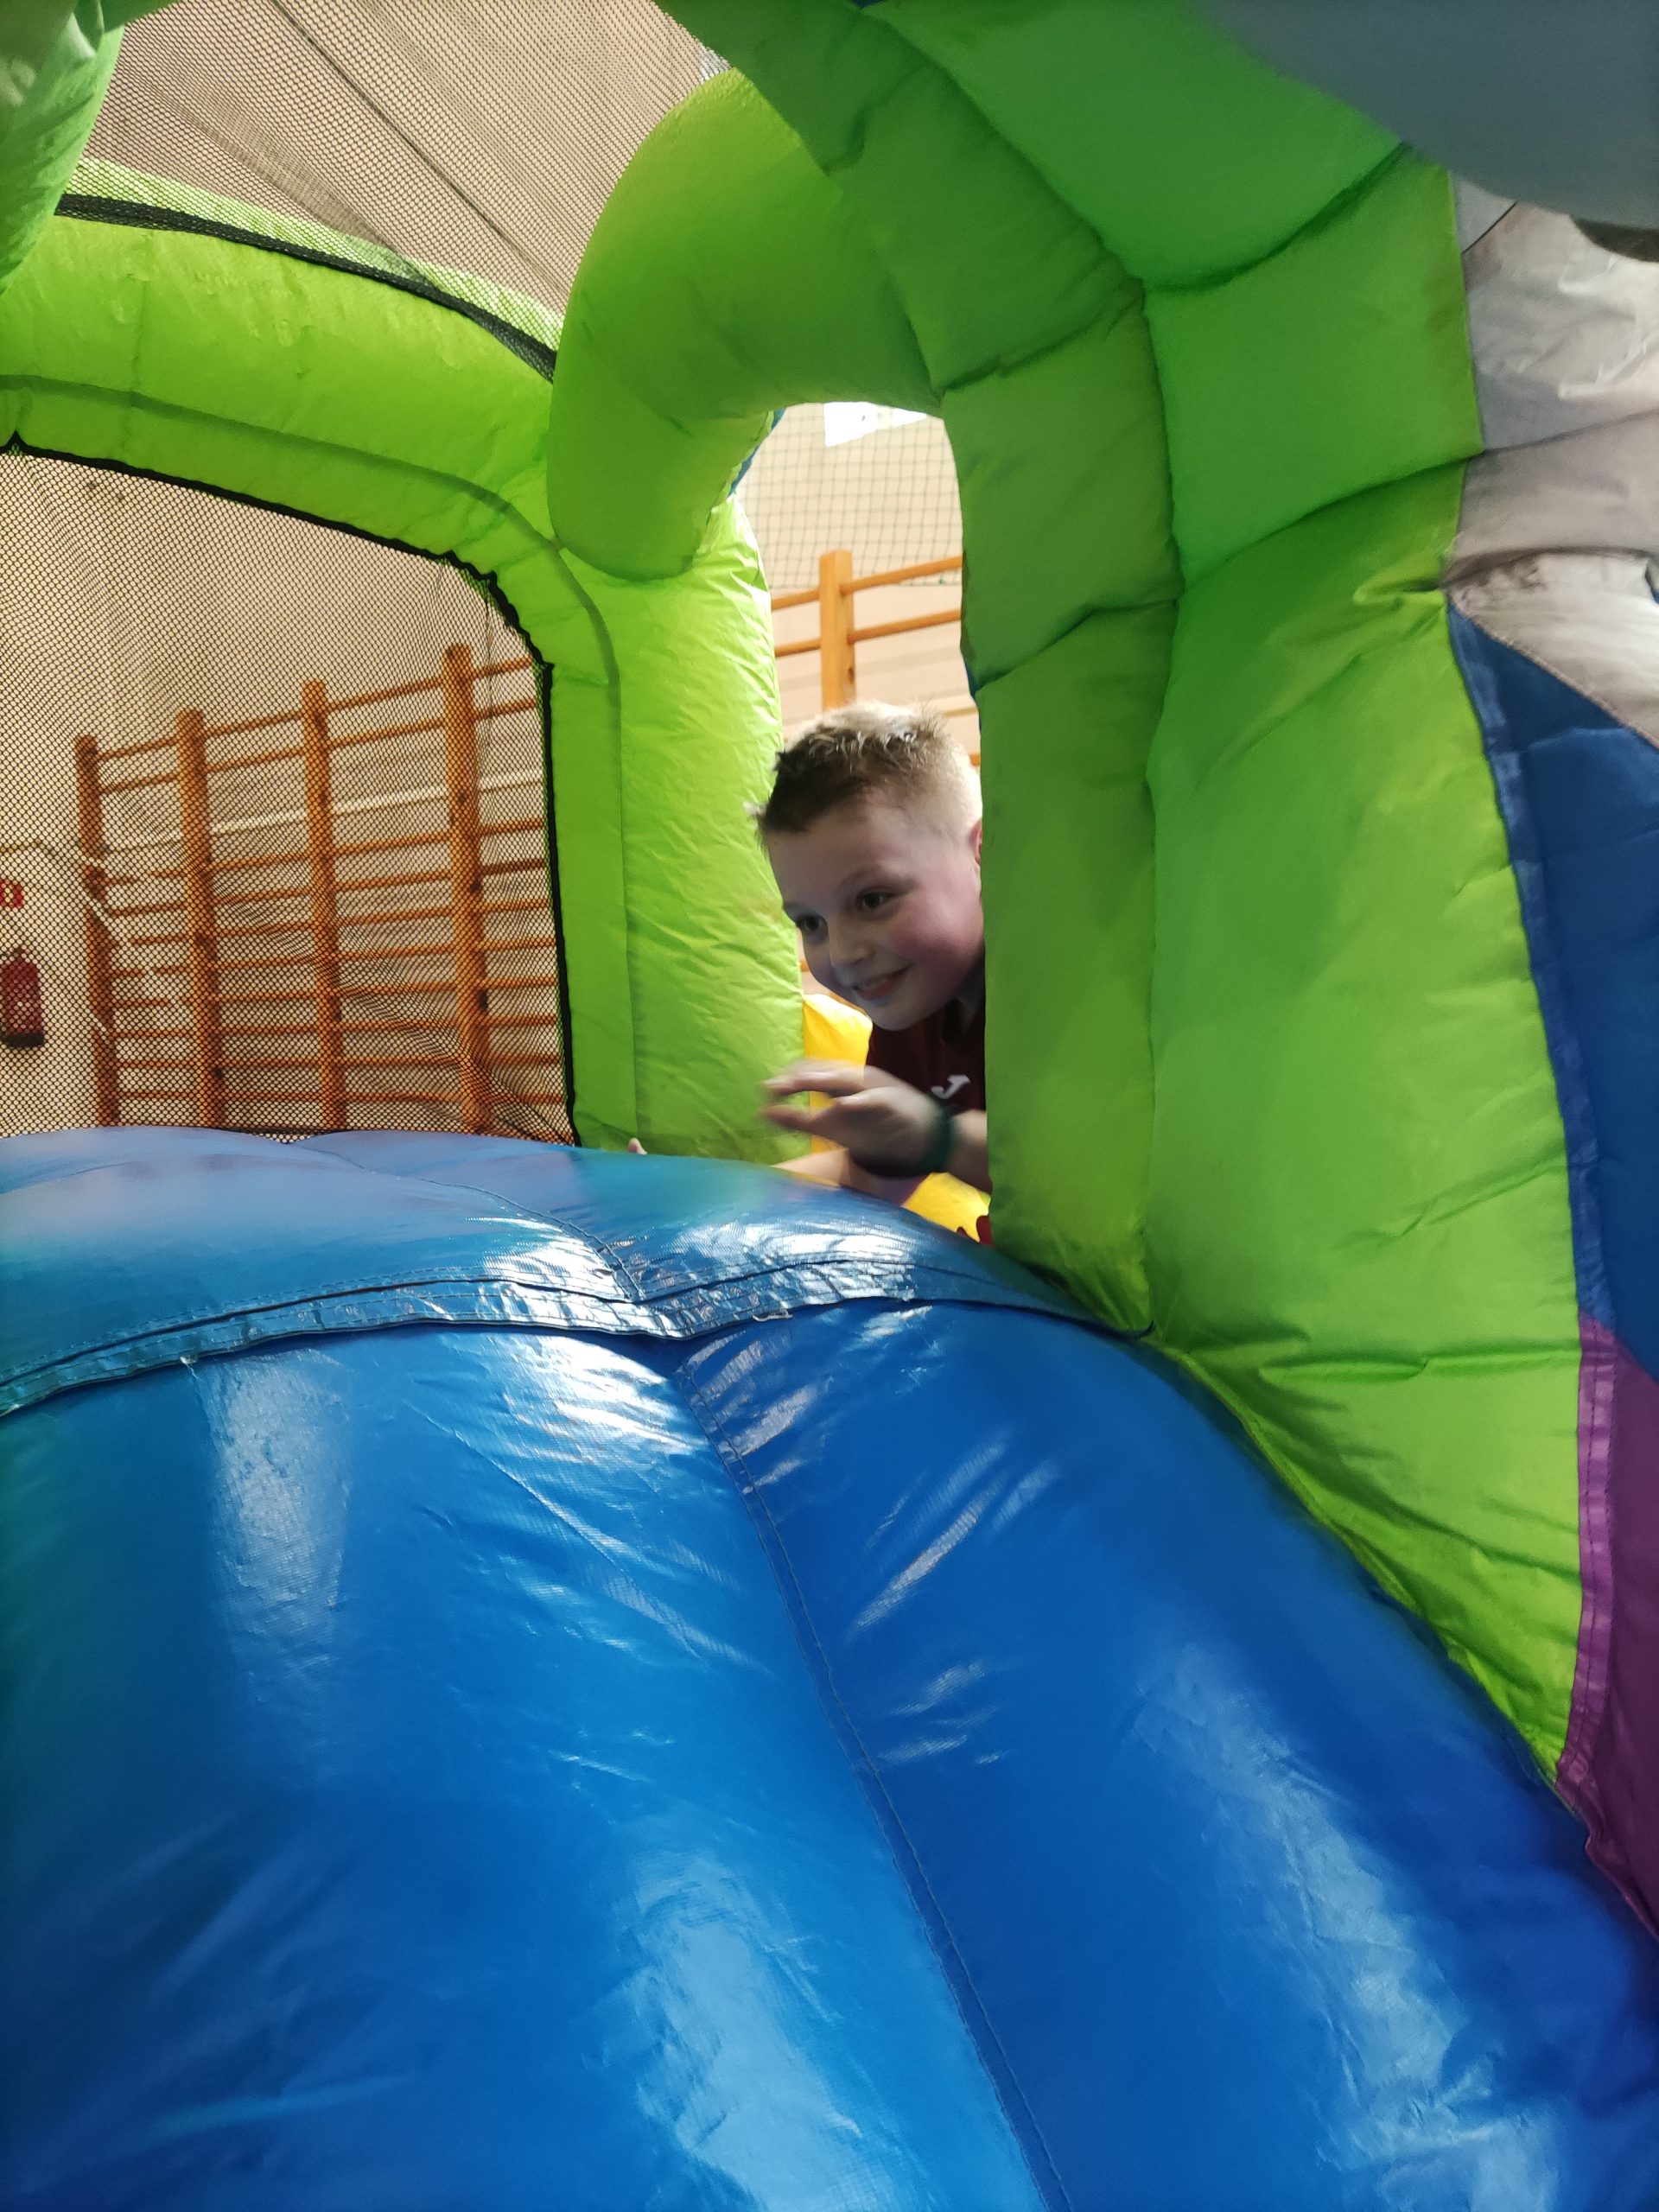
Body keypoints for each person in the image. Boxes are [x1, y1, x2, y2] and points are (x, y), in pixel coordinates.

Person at [755, 702, 989, 1204]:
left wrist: (941, 1138)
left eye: (873, 900)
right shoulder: (910, 1011)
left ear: (983, 855)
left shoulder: (1043, 981)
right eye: (810, 923)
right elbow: (871, 1181)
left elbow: (1094, 1164)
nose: (842, 955)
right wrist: (695, 1197)